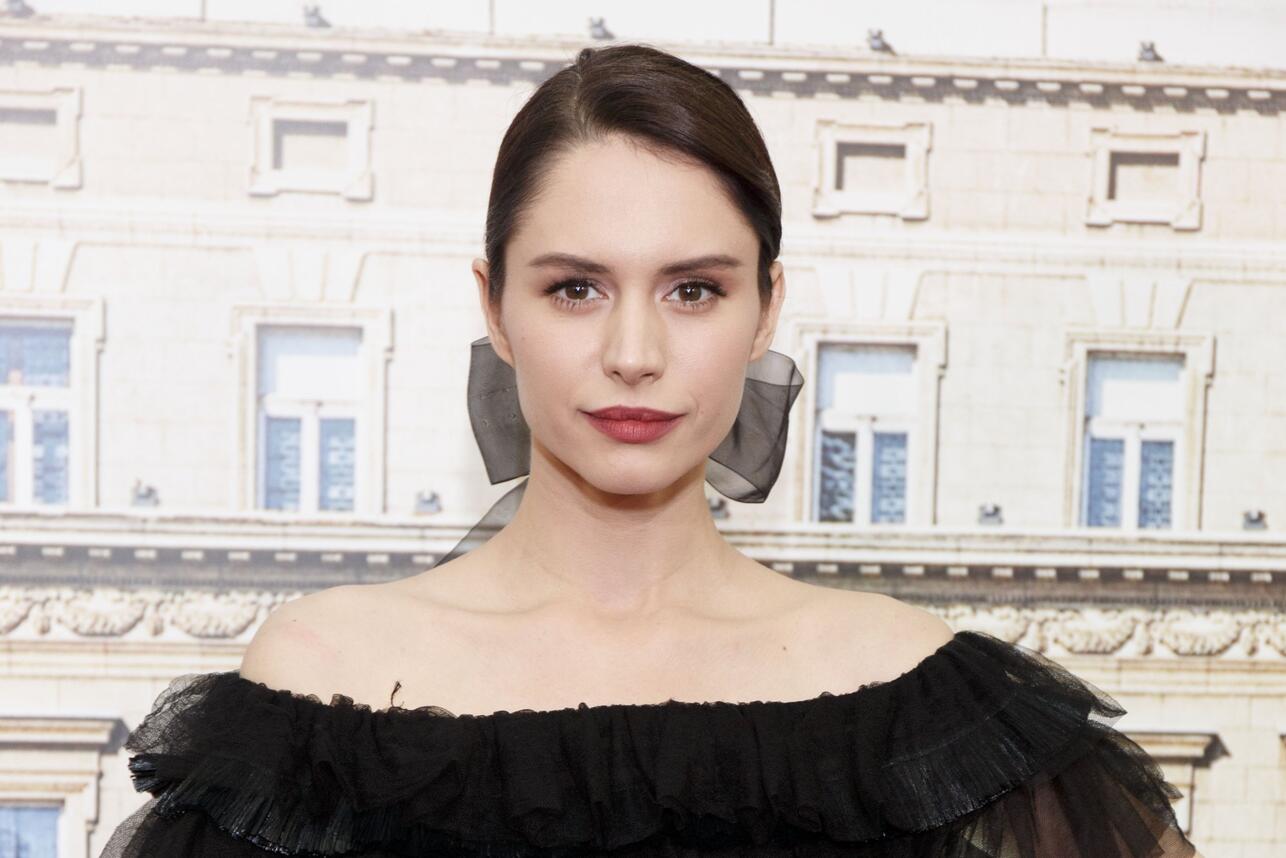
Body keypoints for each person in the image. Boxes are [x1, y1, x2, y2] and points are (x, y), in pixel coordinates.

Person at [100, 44, 1201, 857]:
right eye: (575, 288)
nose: (633, 354)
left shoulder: (920, 701)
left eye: (694, 291)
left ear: (767, 309)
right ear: (493, 307)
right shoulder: (319, 685)